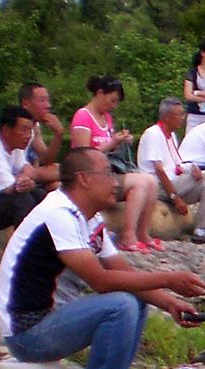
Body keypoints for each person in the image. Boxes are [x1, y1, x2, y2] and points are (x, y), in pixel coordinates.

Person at [0, 147, 205, 369]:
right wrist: (169, 278)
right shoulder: (58, 214)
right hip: (28, 334)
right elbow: (101, 281)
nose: (116, 182)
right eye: (108, 174)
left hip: (55, 320)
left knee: (135, 299)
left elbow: (121, 270)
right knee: (120, 304)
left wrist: (171, 303)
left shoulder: (89, 218)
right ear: (83, 179)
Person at [70, 75, 159, 252]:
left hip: (107, 171)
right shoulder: (83, 117)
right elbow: (82, 155)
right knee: (140, 183)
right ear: (100, 93)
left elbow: (107, 149)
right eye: (112, 100)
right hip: (90, 176)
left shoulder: (107, 118)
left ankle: (142, 231)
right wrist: (111, 143)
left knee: (150, 181)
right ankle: (128, 235)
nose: (114, 105)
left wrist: (120, 141)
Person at [138, 97, 205, 244]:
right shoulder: (153, 134)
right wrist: (175, 198)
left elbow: (177, 164)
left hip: (176, 182)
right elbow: (160, 170)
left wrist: (192, 168)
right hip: (158, 186)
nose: (182, 118)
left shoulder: (171, 136)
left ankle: (201, 230)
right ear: (167, 117)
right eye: (179, 114)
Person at [19, 81, 64, 188]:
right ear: (26, 104)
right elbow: (17, 167)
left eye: (47, 100)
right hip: (16, 178)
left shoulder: (35, 127)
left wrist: (58, 134)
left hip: (31, 175)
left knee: (57, 183)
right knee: (65, 171)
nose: (48, 106)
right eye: (42, 100)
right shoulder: (15, 127)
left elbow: (46, 160)